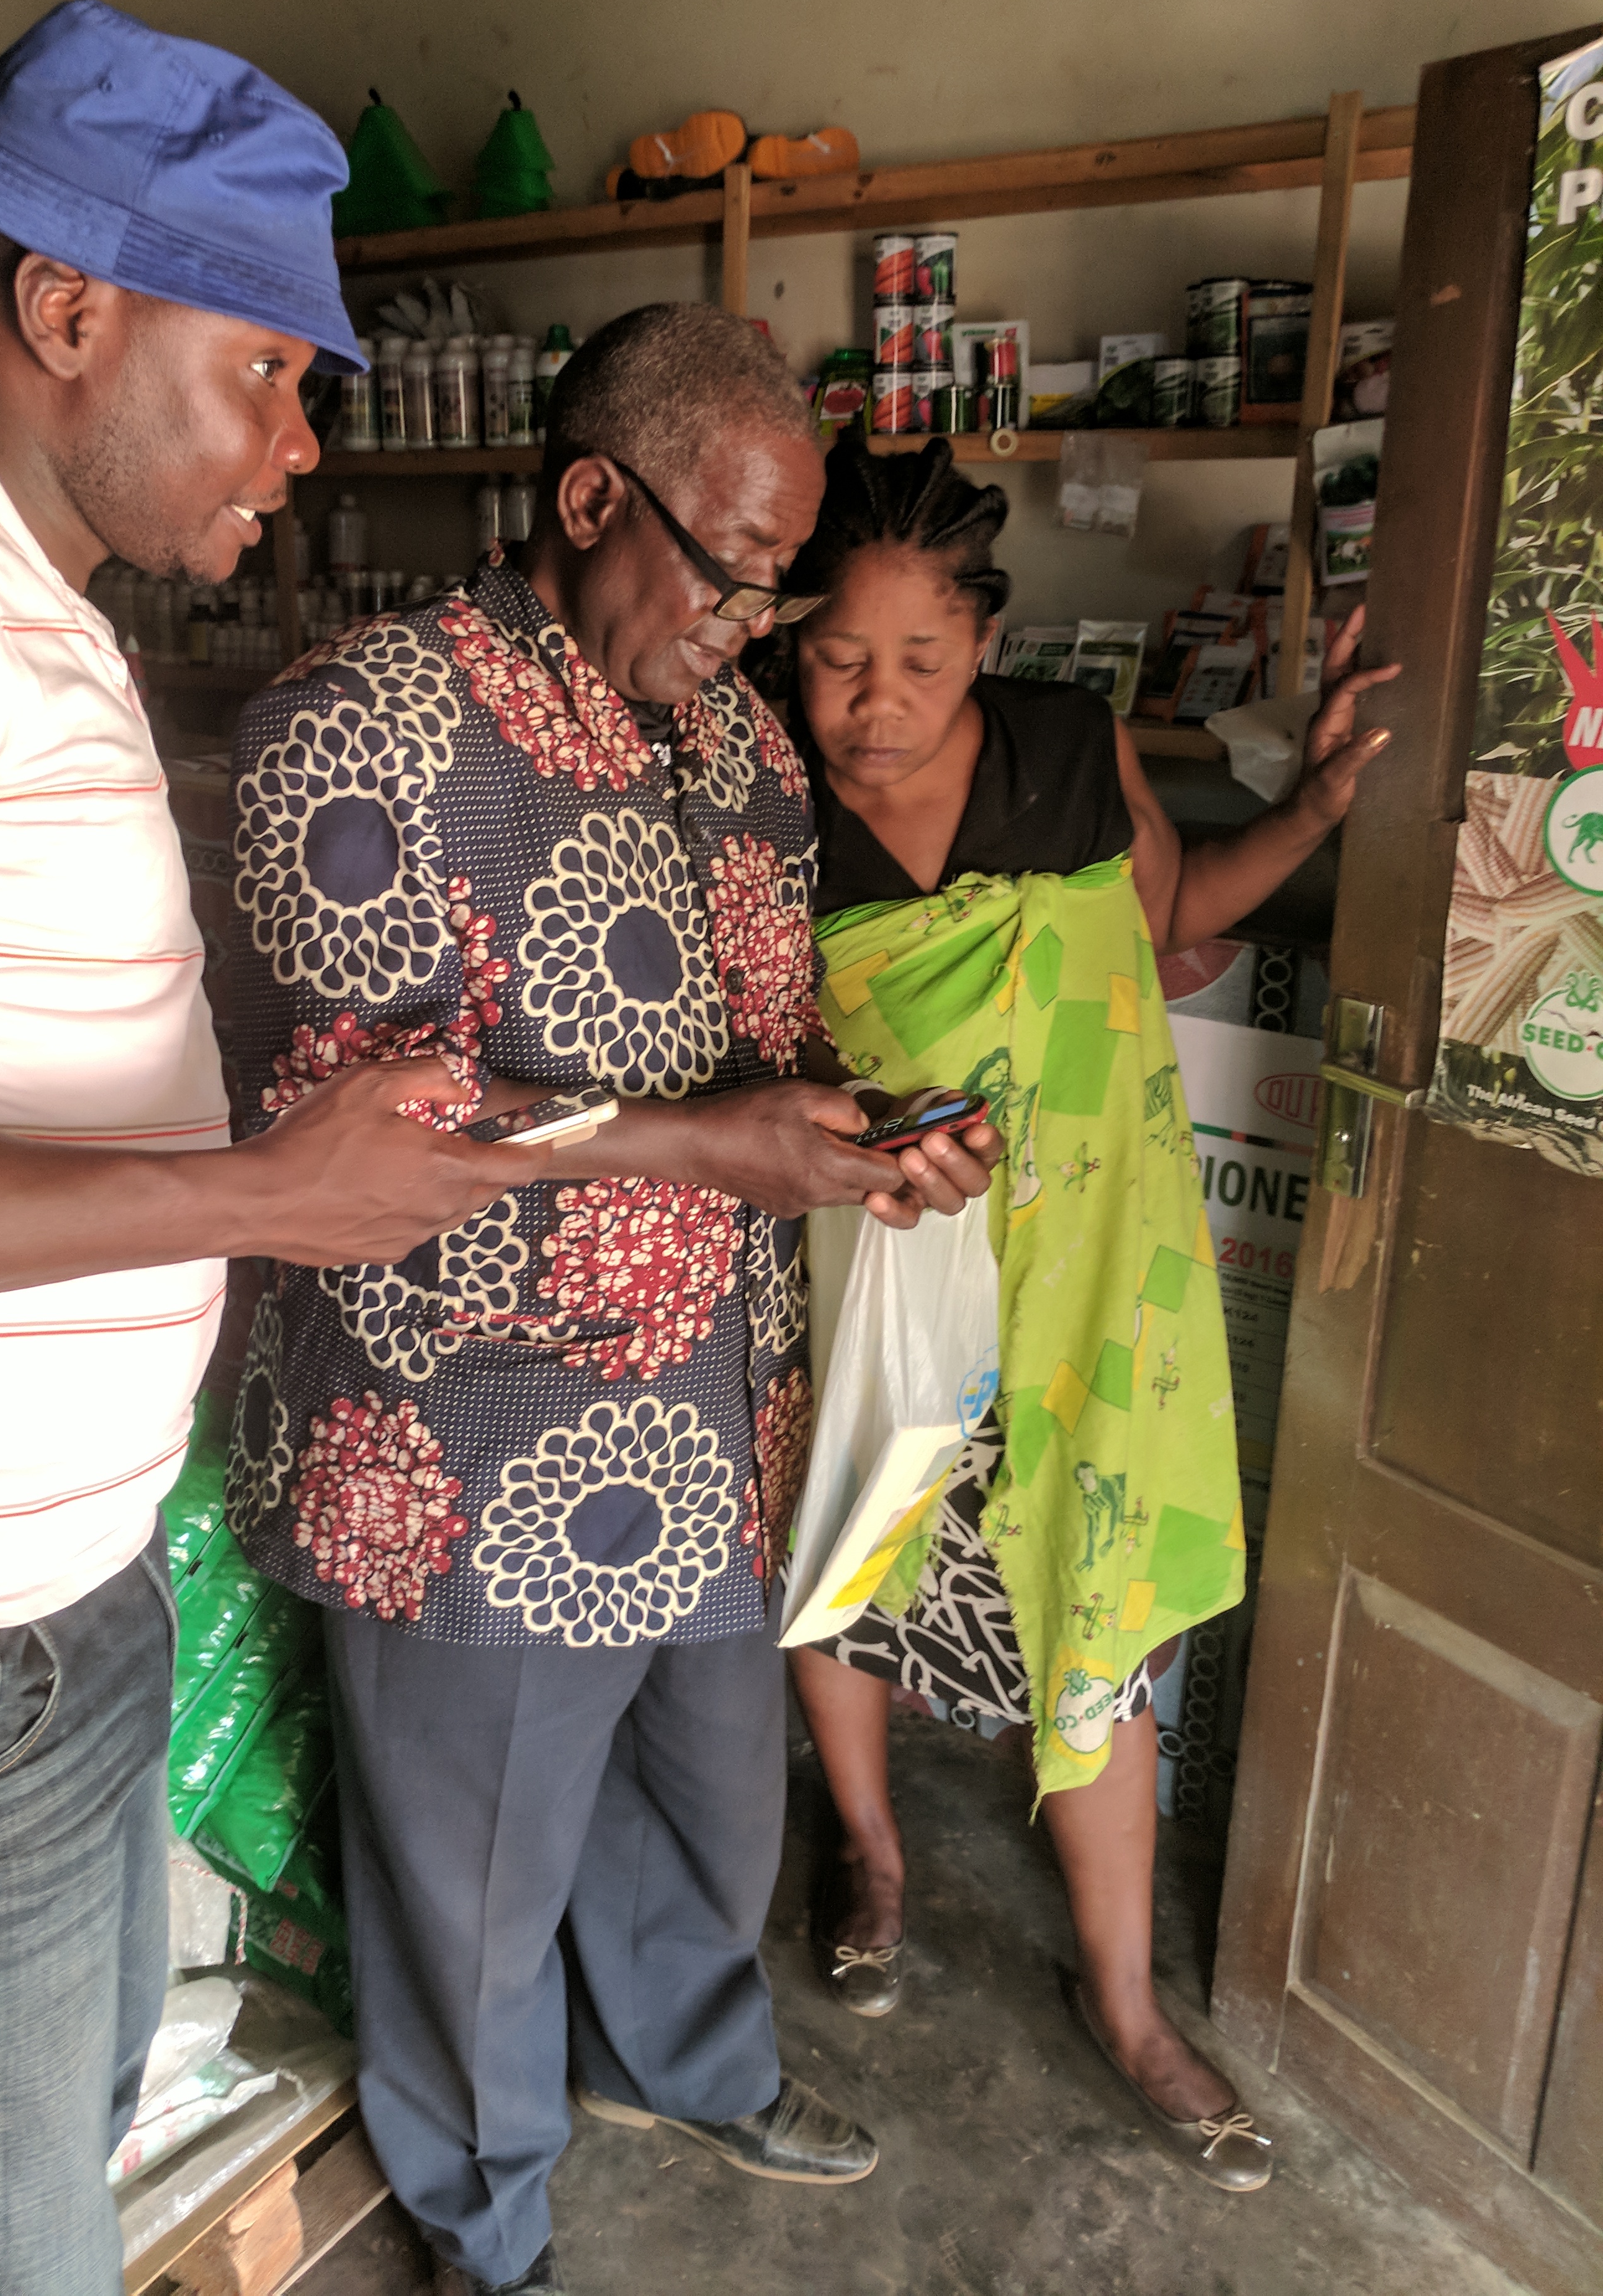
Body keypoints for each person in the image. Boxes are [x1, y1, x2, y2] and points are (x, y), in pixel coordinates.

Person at [0, 0, 557, 2296]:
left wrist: (273, 1144)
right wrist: (255, 1199)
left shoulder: (15, 584)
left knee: (30, 2202)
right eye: (266, 366)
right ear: (67, 311)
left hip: (41, 1608)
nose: (301, 438)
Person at [225, 305, 997, 2296]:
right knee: (473, 1879)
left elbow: (768, 1041)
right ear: (589, 499)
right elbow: (341, 1119)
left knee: (705, 1807)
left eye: (776, 584)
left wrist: (863, 1130)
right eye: (732, 570)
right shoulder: (367, 727)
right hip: (473, 1433)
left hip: (712, 1409)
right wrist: (712, 1145)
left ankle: (680, 2064)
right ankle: (484, 2216)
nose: (755, 626)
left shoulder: (734, 748)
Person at [771, 434, 1398, 2192]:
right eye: (835, 658)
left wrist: (1310, 812)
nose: (873, 703)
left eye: (917, 657)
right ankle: (872, 1852)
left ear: (983, 638)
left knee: (1095, 1607)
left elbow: (1171, 915)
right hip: (883, 1268)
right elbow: (750, 1040)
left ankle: (1129, 2008)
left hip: (1094, 1281)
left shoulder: (1066, 744)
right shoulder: (762, 794)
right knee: (851, 1549)